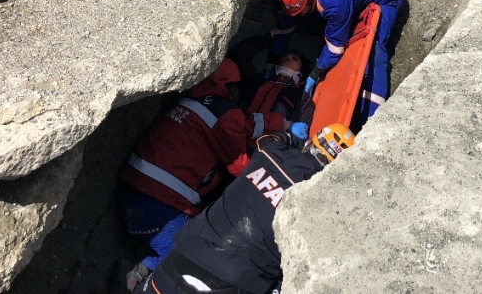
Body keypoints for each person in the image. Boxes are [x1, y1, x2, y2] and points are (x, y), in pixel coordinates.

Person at [119, 59, 288, 290]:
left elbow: (242, 125)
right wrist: (275, 160)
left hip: (130, 194)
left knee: (169, 241)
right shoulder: (225, 114)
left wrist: (280, 123)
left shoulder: (192, 102)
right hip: (162, 206)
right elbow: (241, 168)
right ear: (230, 85)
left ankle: (148, 258)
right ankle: (147, 276)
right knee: (197, 259)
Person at [138, 125, 355, 294]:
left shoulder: (270, 151)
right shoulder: (320, 202)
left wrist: (291, 138)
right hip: (236, 280)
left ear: (309, 143)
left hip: (189, 249)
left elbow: (268, 138)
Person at [271, 0, 405, 120]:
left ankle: (373, 118)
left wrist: (314, 74)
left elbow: (335, 49)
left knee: (374, 51)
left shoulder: (333, 3)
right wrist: (274, 56)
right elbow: (288, 21)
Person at [247, 50, 305, 123]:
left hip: (272, 133)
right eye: (285, 57)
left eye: (295, 58)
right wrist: (268, 38)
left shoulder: (300, 94)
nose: (287, 59)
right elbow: (241, 58)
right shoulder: (259, 80)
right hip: (241, 129)